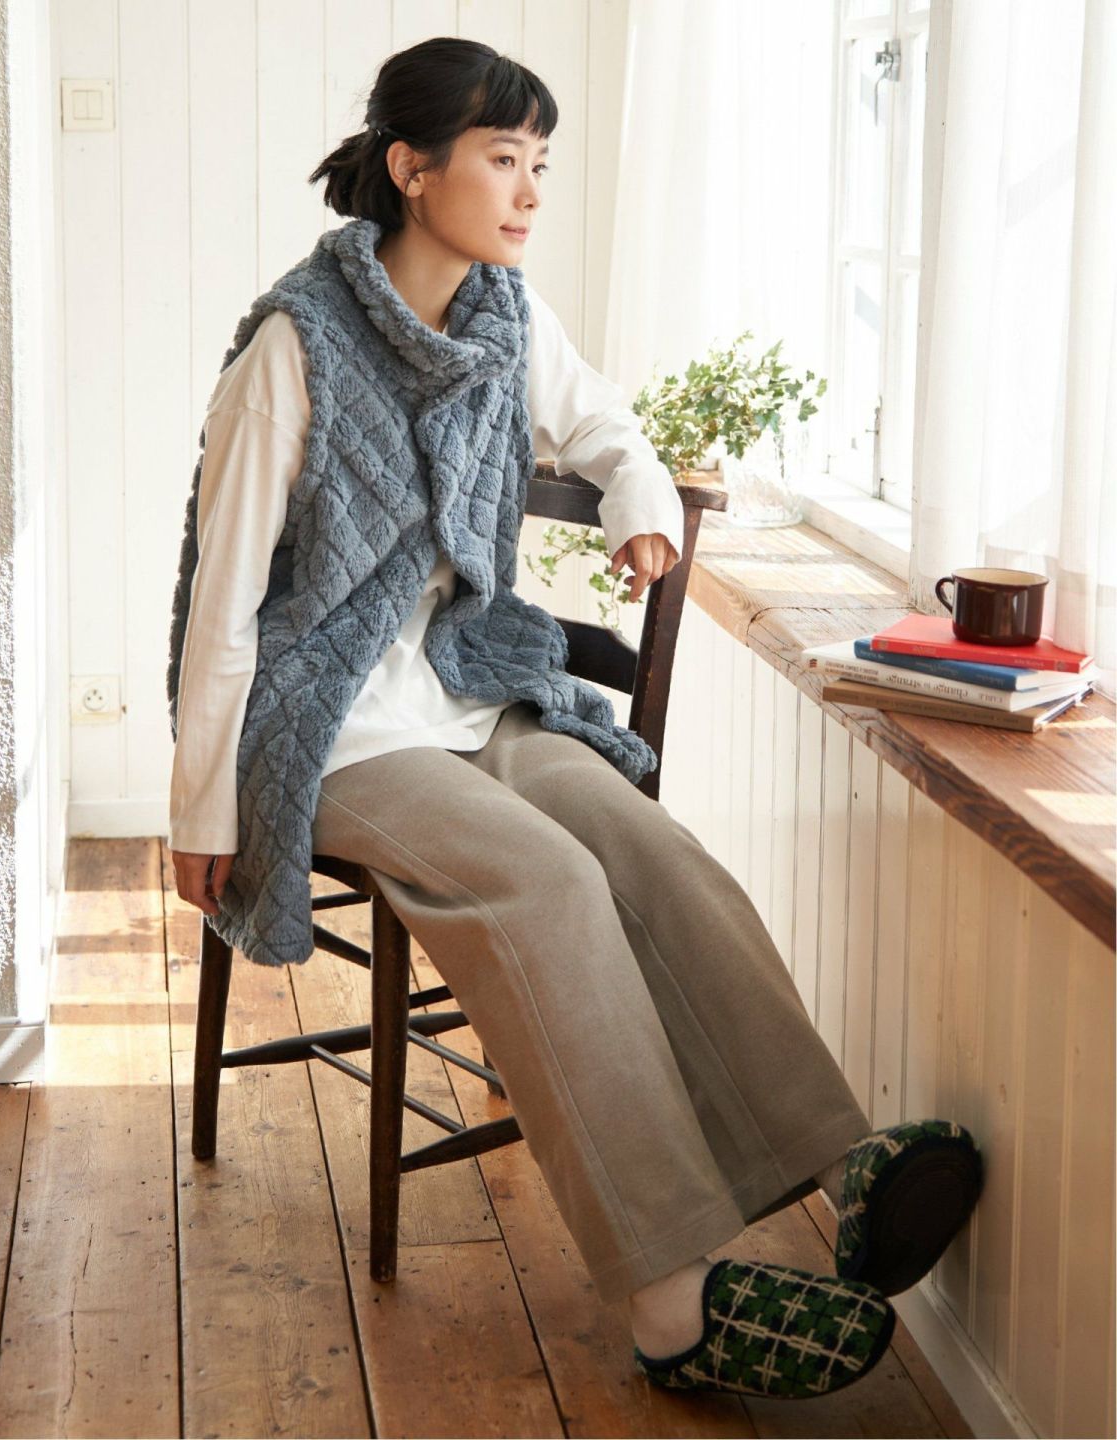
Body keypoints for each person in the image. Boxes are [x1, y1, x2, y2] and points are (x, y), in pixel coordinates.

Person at [166, 35, 983, 1403]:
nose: (531, 190)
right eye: (504, 159)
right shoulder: (290, 348)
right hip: (326, 725)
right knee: (546, 882)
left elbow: (605, 427)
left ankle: (840, 1171)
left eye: (540, 161)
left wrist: (641, 512)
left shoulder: (506, 317)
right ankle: (672, 1304)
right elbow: (221, 602)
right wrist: (199, 808)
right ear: (412, 168)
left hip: (466, 686)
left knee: (647, 847)